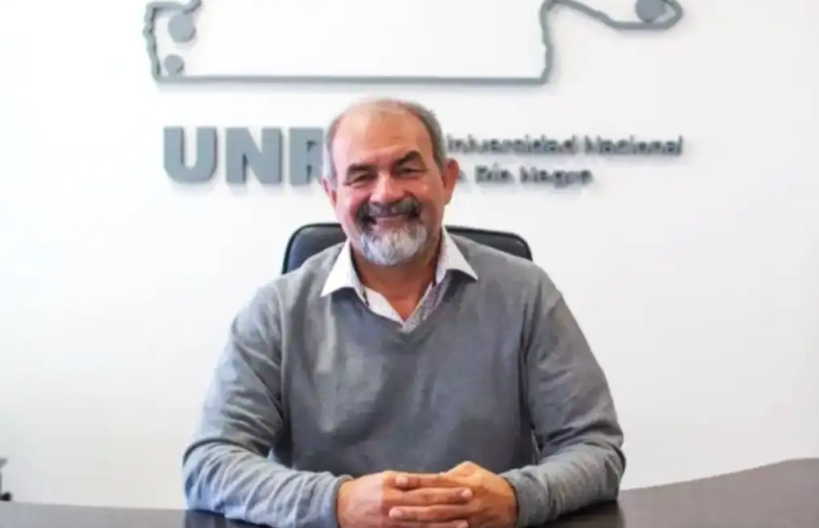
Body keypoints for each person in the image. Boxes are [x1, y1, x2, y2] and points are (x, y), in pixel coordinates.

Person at [182, 97, 625, 528]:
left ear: (447, 181)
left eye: (407, 169)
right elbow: (211, 463)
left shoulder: (525, 294)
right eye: (361, 176)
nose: (386, 193)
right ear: (332, 194)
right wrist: (338, 504)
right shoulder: (276, 312)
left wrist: (515, 498)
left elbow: (595, 448)